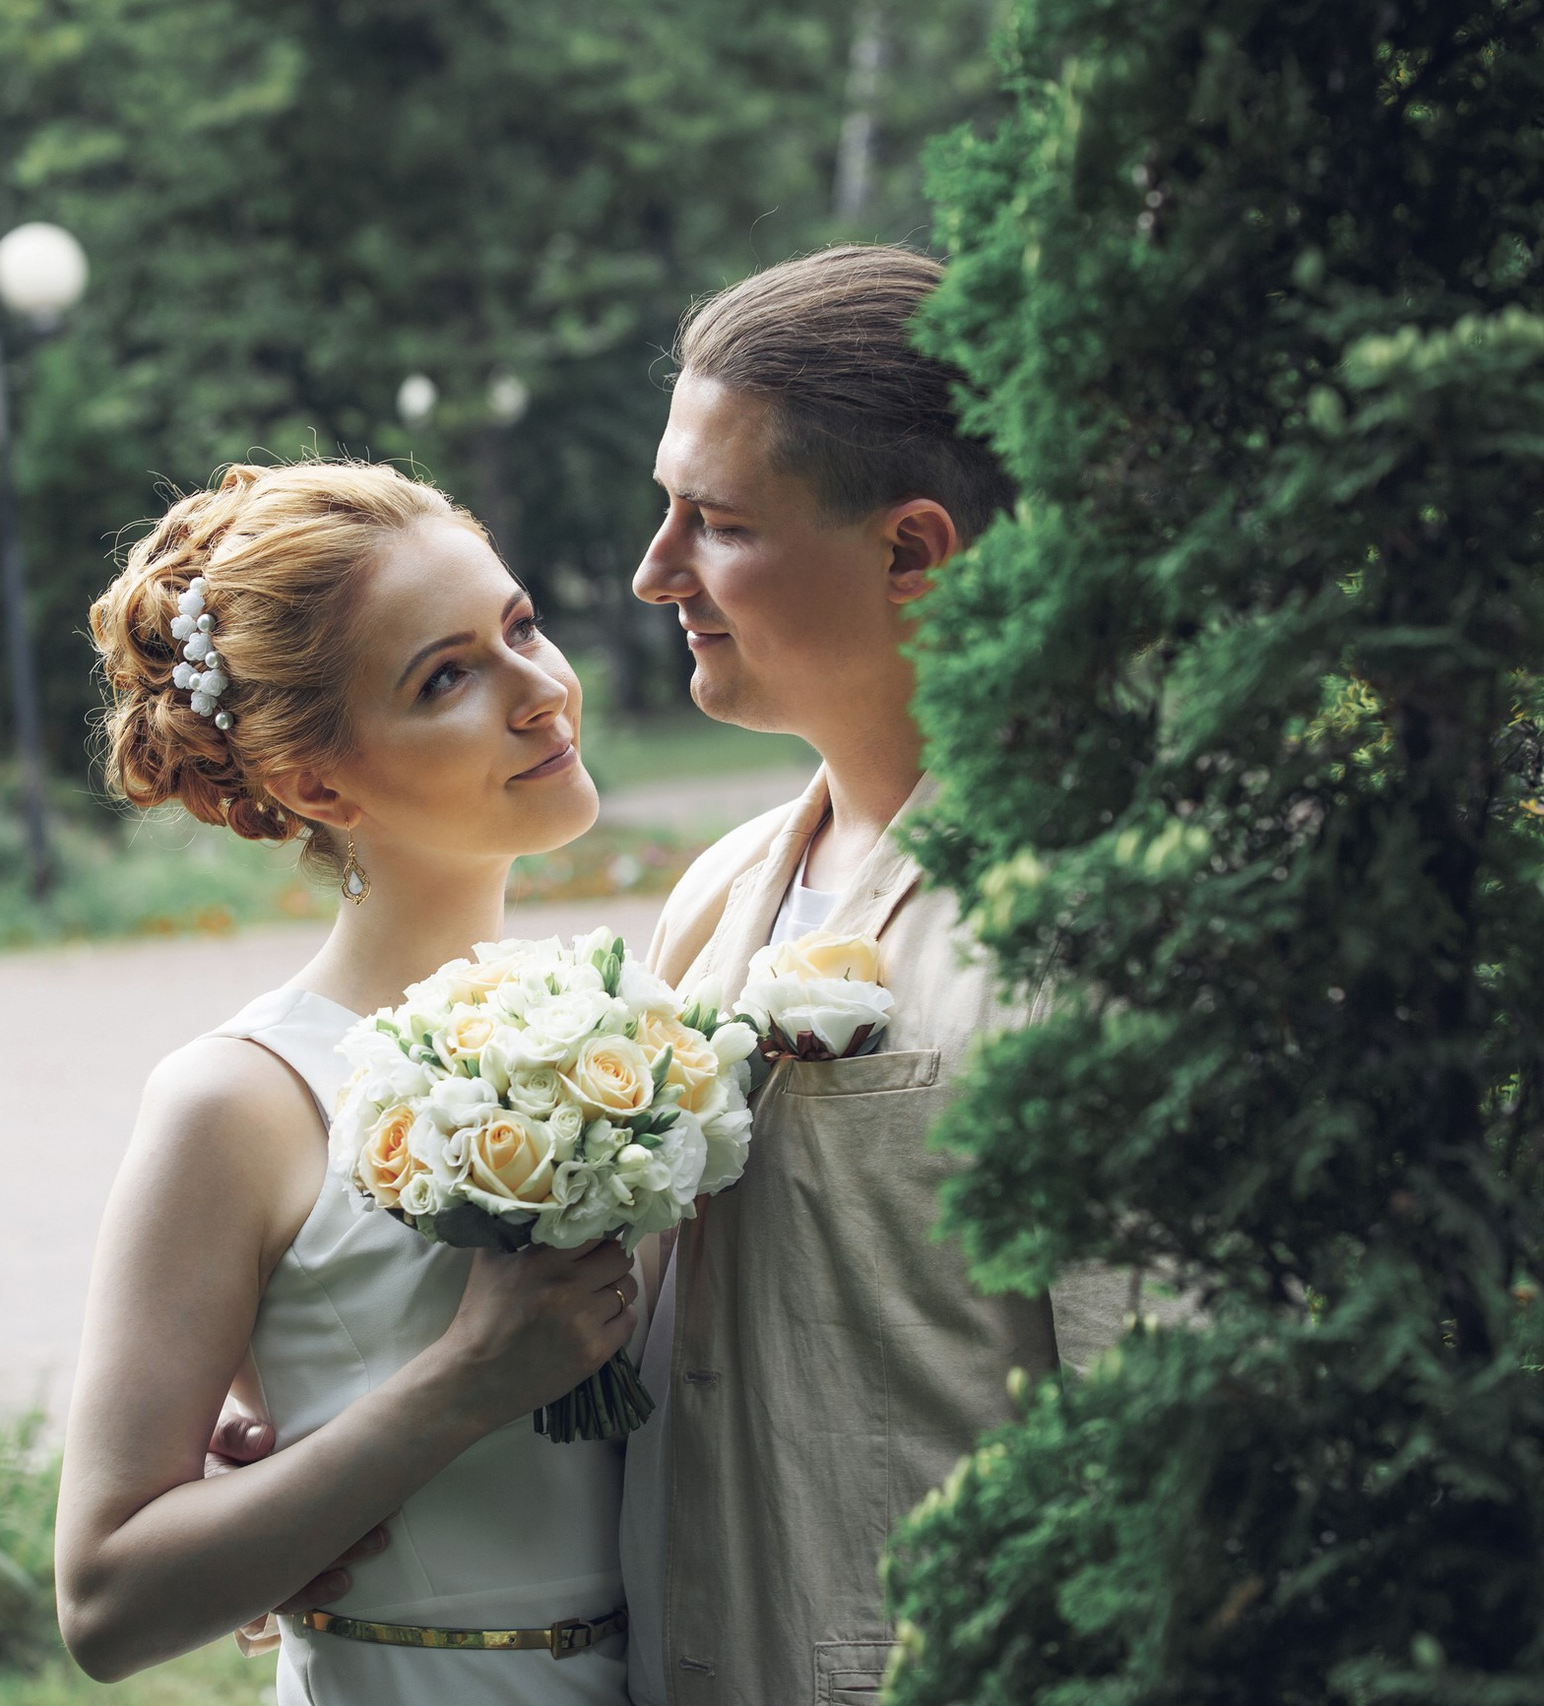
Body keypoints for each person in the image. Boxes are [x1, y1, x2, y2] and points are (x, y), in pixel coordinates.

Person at [211, 246, 1134, 1703]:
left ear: (911, 552)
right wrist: (326, 1465)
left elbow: (1174, 1458)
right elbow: (621, 1342)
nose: (651, 574)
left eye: (713, 522)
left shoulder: (1098, 916)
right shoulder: (711, 903)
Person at [54, 462, 640, 1704]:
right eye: (448, 675)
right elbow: (102, 1602)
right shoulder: (241, 1101)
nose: (540, 692)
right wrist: (454, 1388)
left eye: (520, 627)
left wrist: (285, 1500)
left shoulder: (638, 1025)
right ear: (319, 785)